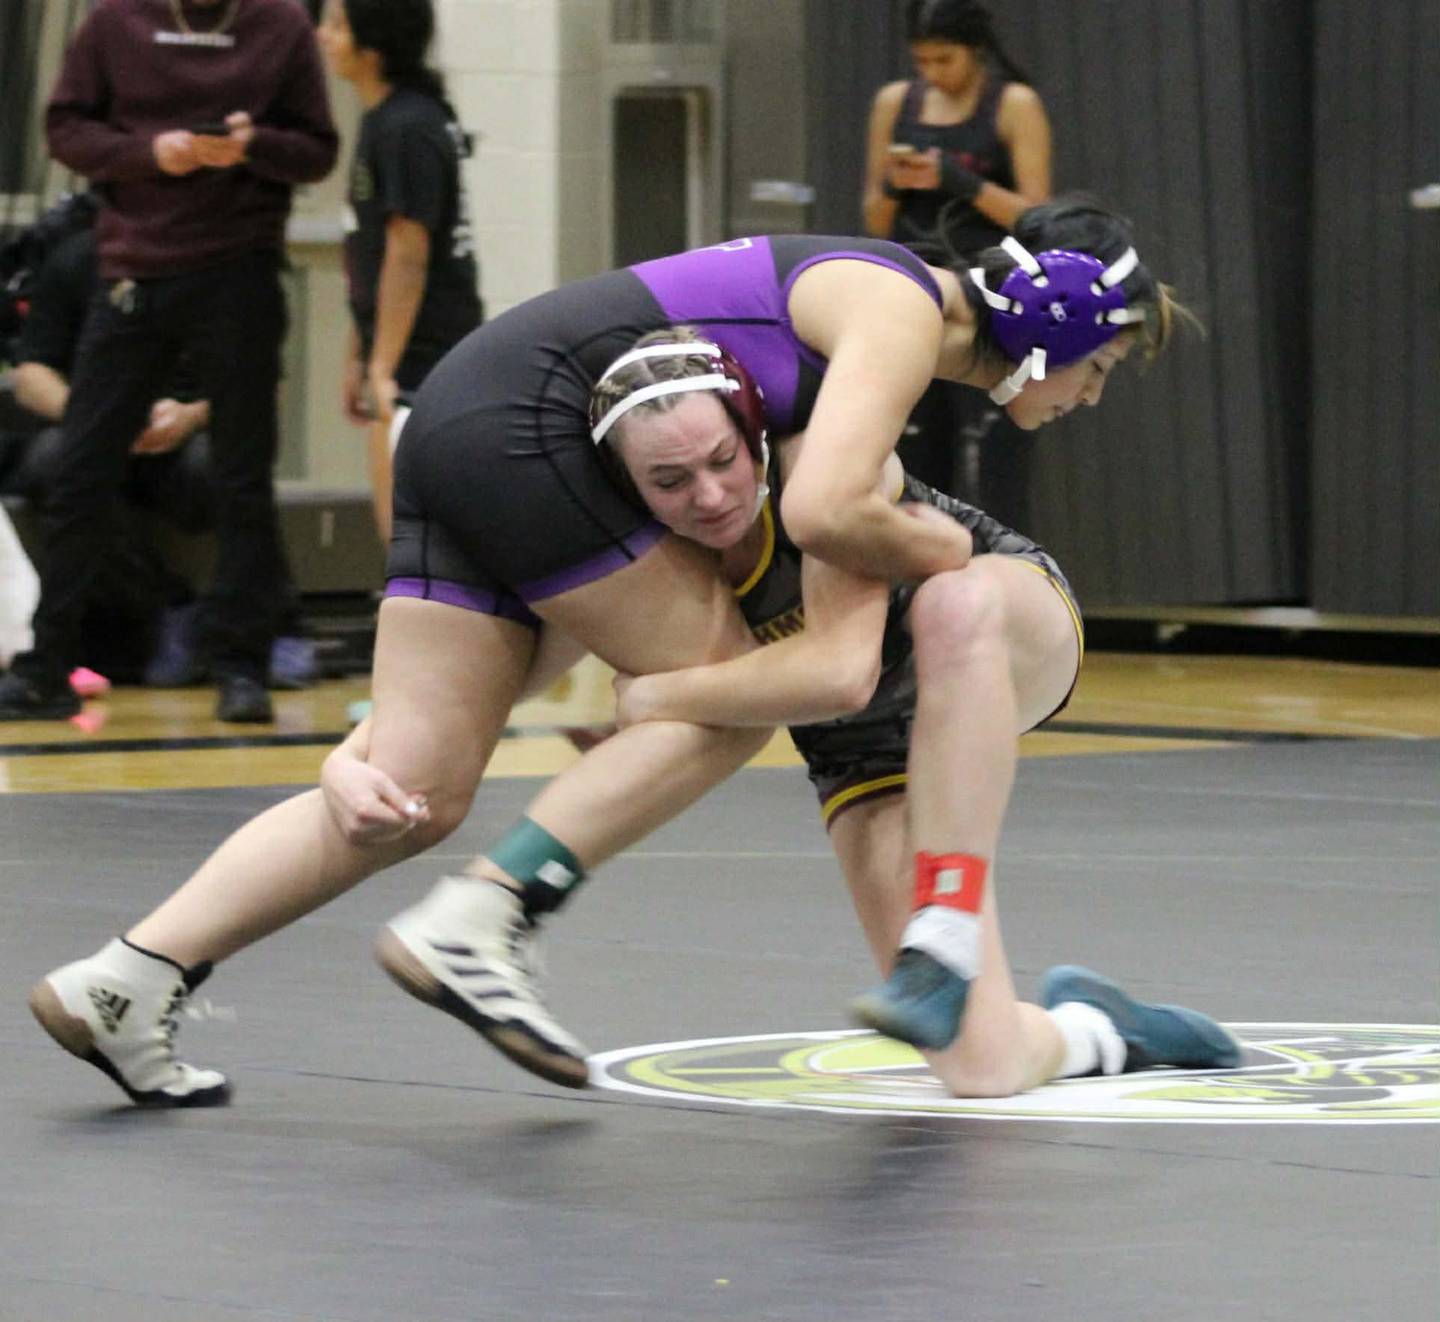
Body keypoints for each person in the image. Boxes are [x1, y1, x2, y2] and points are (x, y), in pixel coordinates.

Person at [28, 200, 1181, 1109]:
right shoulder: (892, 315)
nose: (1091, 396)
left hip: (466, 421)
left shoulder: (837, 366)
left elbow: (807, 593)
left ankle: (132, 973)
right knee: (733, 690)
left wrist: (365, 738)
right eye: (1106, 368)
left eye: (725, 467)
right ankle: (490, 913)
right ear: (1064, 332)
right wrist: (924, 545)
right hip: (534, 420)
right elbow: (828, 518)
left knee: (411, 790)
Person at [327, 319, 1238, 1097]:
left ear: (755, 432)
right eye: (671, 483)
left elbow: (835, 675)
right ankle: (1104, 1028)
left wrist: (658, 694)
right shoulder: (636, 566)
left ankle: (949, 925)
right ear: (627, 494)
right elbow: (472, 692)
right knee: (978, 1066)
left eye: (724, 461)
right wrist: (353, 759)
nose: (712, 496)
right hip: (864, 745)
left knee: (949, 604)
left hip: (996, 629)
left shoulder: (824, 472)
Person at [0, 0, 339, 725]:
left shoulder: (278, 25)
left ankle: (241, 665)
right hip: (134, 267)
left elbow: (317, 149)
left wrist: (251, 145)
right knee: (81, 470)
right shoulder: (114, 21)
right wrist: (153, 153)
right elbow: (66, 129)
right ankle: (47, 665)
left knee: (242, 479)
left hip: (240, 268)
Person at [3, 223, 317, 691]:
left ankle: (278, 623)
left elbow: (262, 381)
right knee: (56, 465)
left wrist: (191, 415)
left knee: (230, 465)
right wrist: (97, 416)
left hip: (187, 432)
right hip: (93, 434)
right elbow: (31, 374)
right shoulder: (74, 259)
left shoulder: (229, 262)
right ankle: (171, 606)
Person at [864, 0, 1051, 526]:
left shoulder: (1013, 105)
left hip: (989, 292)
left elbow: (1035, 218)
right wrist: (893, 183)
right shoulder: (894, 103)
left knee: (994, 452)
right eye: (921, 62)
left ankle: (1007, 575)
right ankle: (921, 580)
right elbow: (875, 220)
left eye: (944, 60)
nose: (932, 74)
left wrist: (958, 179)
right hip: (917, 291)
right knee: (917, 451)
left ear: (975, 52)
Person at [318, 0, 482, 543]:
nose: (323, 36)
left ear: (374, 44)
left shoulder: (408, 125)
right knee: (400, 536)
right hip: (400, 356)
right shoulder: (385, 118)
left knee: (413, 541)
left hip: (425, 359)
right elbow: (369, 257)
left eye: (338, 25)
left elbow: (408, 252)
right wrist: (359, 354)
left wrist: (383, 369)